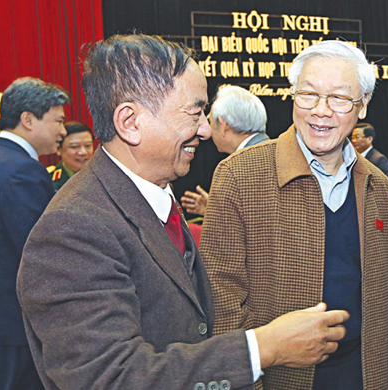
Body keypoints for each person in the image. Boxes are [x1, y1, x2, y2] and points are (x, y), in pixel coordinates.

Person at [17, 34, 349, 390]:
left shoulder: (153, 196)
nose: (206, 129)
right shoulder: (73, 230)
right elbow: (109, 377)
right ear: (130, 122)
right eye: (195, 112)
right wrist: (262, 348)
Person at [201, 40, 388, 390]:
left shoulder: (378, 185)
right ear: (293, 95)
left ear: (363, 106)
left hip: (364, 374)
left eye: (339, 99)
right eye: (308, 95)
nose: (320, 111)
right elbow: (221, 301)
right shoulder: (239, 175)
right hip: (278, 379)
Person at [0, 77, 69, 390]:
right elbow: (39, 252)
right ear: (28, 119)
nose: (63, 132)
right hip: (14, 325)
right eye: (59, 121)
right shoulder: (21, 170)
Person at [181, 85, 269, 216]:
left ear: (223, 126)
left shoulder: (236, 169)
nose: (208, 131)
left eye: (210, 121)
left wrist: (218, 215)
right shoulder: (276, 154)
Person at [48, 120, 94, 191]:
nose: (83, 152)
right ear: (58, 149)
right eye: (74, 146)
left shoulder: (103, 176)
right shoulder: (48, 181)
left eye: (88, 146)